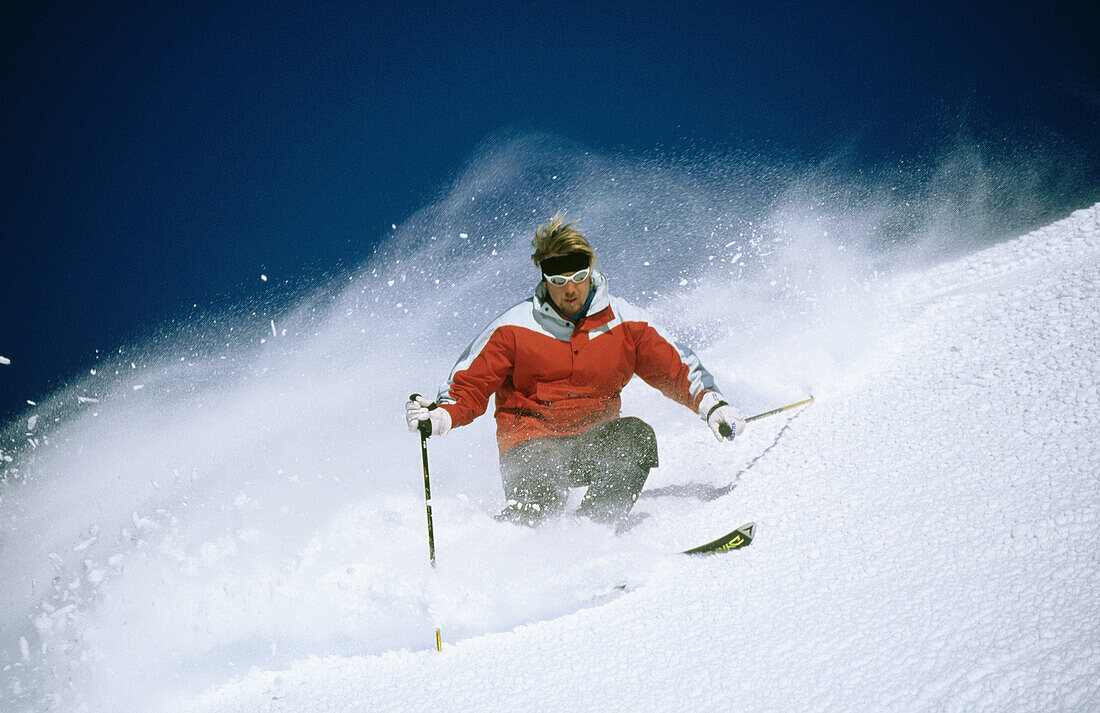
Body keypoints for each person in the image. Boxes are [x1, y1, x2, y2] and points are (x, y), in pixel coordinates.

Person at [406, 214, 745, 530]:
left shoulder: (625, 323)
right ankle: (510, 545)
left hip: (595, 441)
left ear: (591, 272)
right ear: (544, 279)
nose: (571, 289)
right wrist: (440, 414)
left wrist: (711, 404)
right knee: (541, 497)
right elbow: (471, 383)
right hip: (531, 446)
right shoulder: (514, 327)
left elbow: (674, 367)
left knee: (636, 438)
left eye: (579, 277)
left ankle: (592, 535)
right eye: (559, 280)